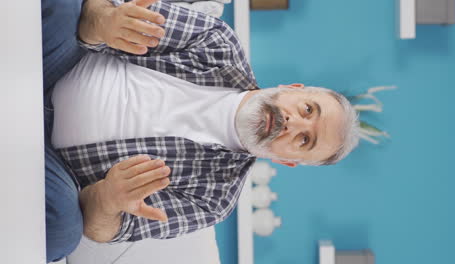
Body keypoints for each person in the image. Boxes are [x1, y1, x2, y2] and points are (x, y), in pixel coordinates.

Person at [42, 0, 360, 261]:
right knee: (65, 9)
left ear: (287, 160)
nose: (294, 123)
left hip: (49, 165)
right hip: (50, 68)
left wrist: (109, 200)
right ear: (292, 88)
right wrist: (105, 22)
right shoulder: (215, 41)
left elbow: (99, 228)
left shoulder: (214, 199)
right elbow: (96, 13)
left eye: (305, 140)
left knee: (62, 233)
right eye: (308, 109)